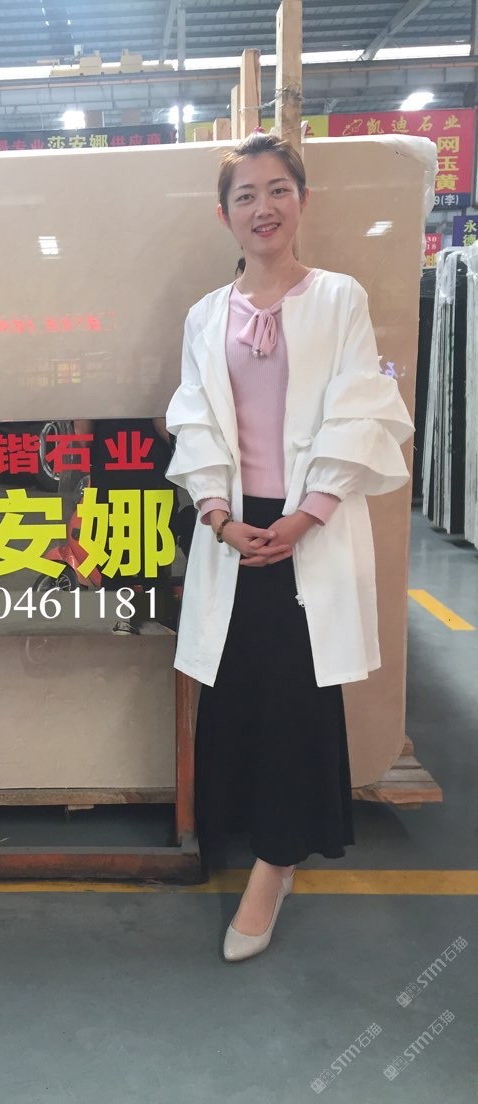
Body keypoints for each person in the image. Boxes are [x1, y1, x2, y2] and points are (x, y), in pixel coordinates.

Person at [164, 132, 414, 962]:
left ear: (301, 201)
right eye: (245, 195)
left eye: (278, 190)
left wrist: (308, 514)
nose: (263, 207)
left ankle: (275, 868)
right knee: (238, 691)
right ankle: (258, 838)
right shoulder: (207, 315)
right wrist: (215, 513)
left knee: (298, 700)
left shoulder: (338, 298)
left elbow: (359, 411)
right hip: (234, 530)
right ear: (224, 215)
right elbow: (196, 418)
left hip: (309, 528)